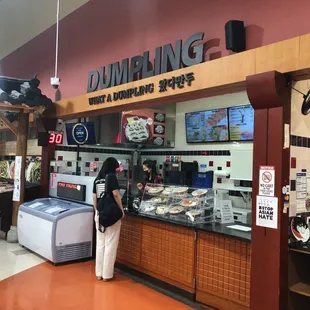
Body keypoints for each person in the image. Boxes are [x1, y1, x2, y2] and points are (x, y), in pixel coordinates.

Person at [92, 157, 124, 281]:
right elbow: (115, 194)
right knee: (111, 243)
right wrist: (121, 210)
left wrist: (97, 211)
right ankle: (107, 275)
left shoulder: (97, 179)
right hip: (111, 214)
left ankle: (99, 273)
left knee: (100, 244)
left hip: (99, 214)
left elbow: (94, 197)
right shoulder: (111, 177)